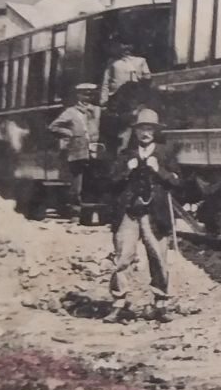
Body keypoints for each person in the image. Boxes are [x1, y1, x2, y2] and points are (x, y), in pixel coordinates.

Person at [103, 108, 197, 322]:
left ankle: (160, 304)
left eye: (150, 129)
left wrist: (159, 171)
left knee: (158, 257)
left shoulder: (165, 154)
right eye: (141, 129)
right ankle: (119, 304)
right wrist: (127, 170)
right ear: (135, 132)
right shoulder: (125, 155)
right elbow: (110, 183)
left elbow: (177, 182)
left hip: (155, 215)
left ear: (155, 132)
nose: (145, 133)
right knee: (123, 258)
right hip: (129, 214)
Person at [49, 83, 103, 224]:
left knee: (92, 184)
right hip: (77, 151)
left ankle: (89, 214)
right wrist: (69, 133)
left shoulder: (97, 111)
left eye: (90, 94)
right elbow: (54, 126)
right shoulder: (70, 112)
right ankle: (75, 214)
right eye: (84, 94)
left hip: (95, 151)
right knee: (77, 185)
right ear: (78, 95)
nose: (88, 97)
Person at [100, 40, 152, 105]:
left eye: (129, 45)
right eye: (123, 44)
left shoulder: (141, 60)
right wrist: (103, 99)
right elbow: (105, 82)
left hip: (134, 98)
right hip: (115, 98)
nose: (126, 47)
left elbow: (147, 80)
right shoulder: (112, 62)